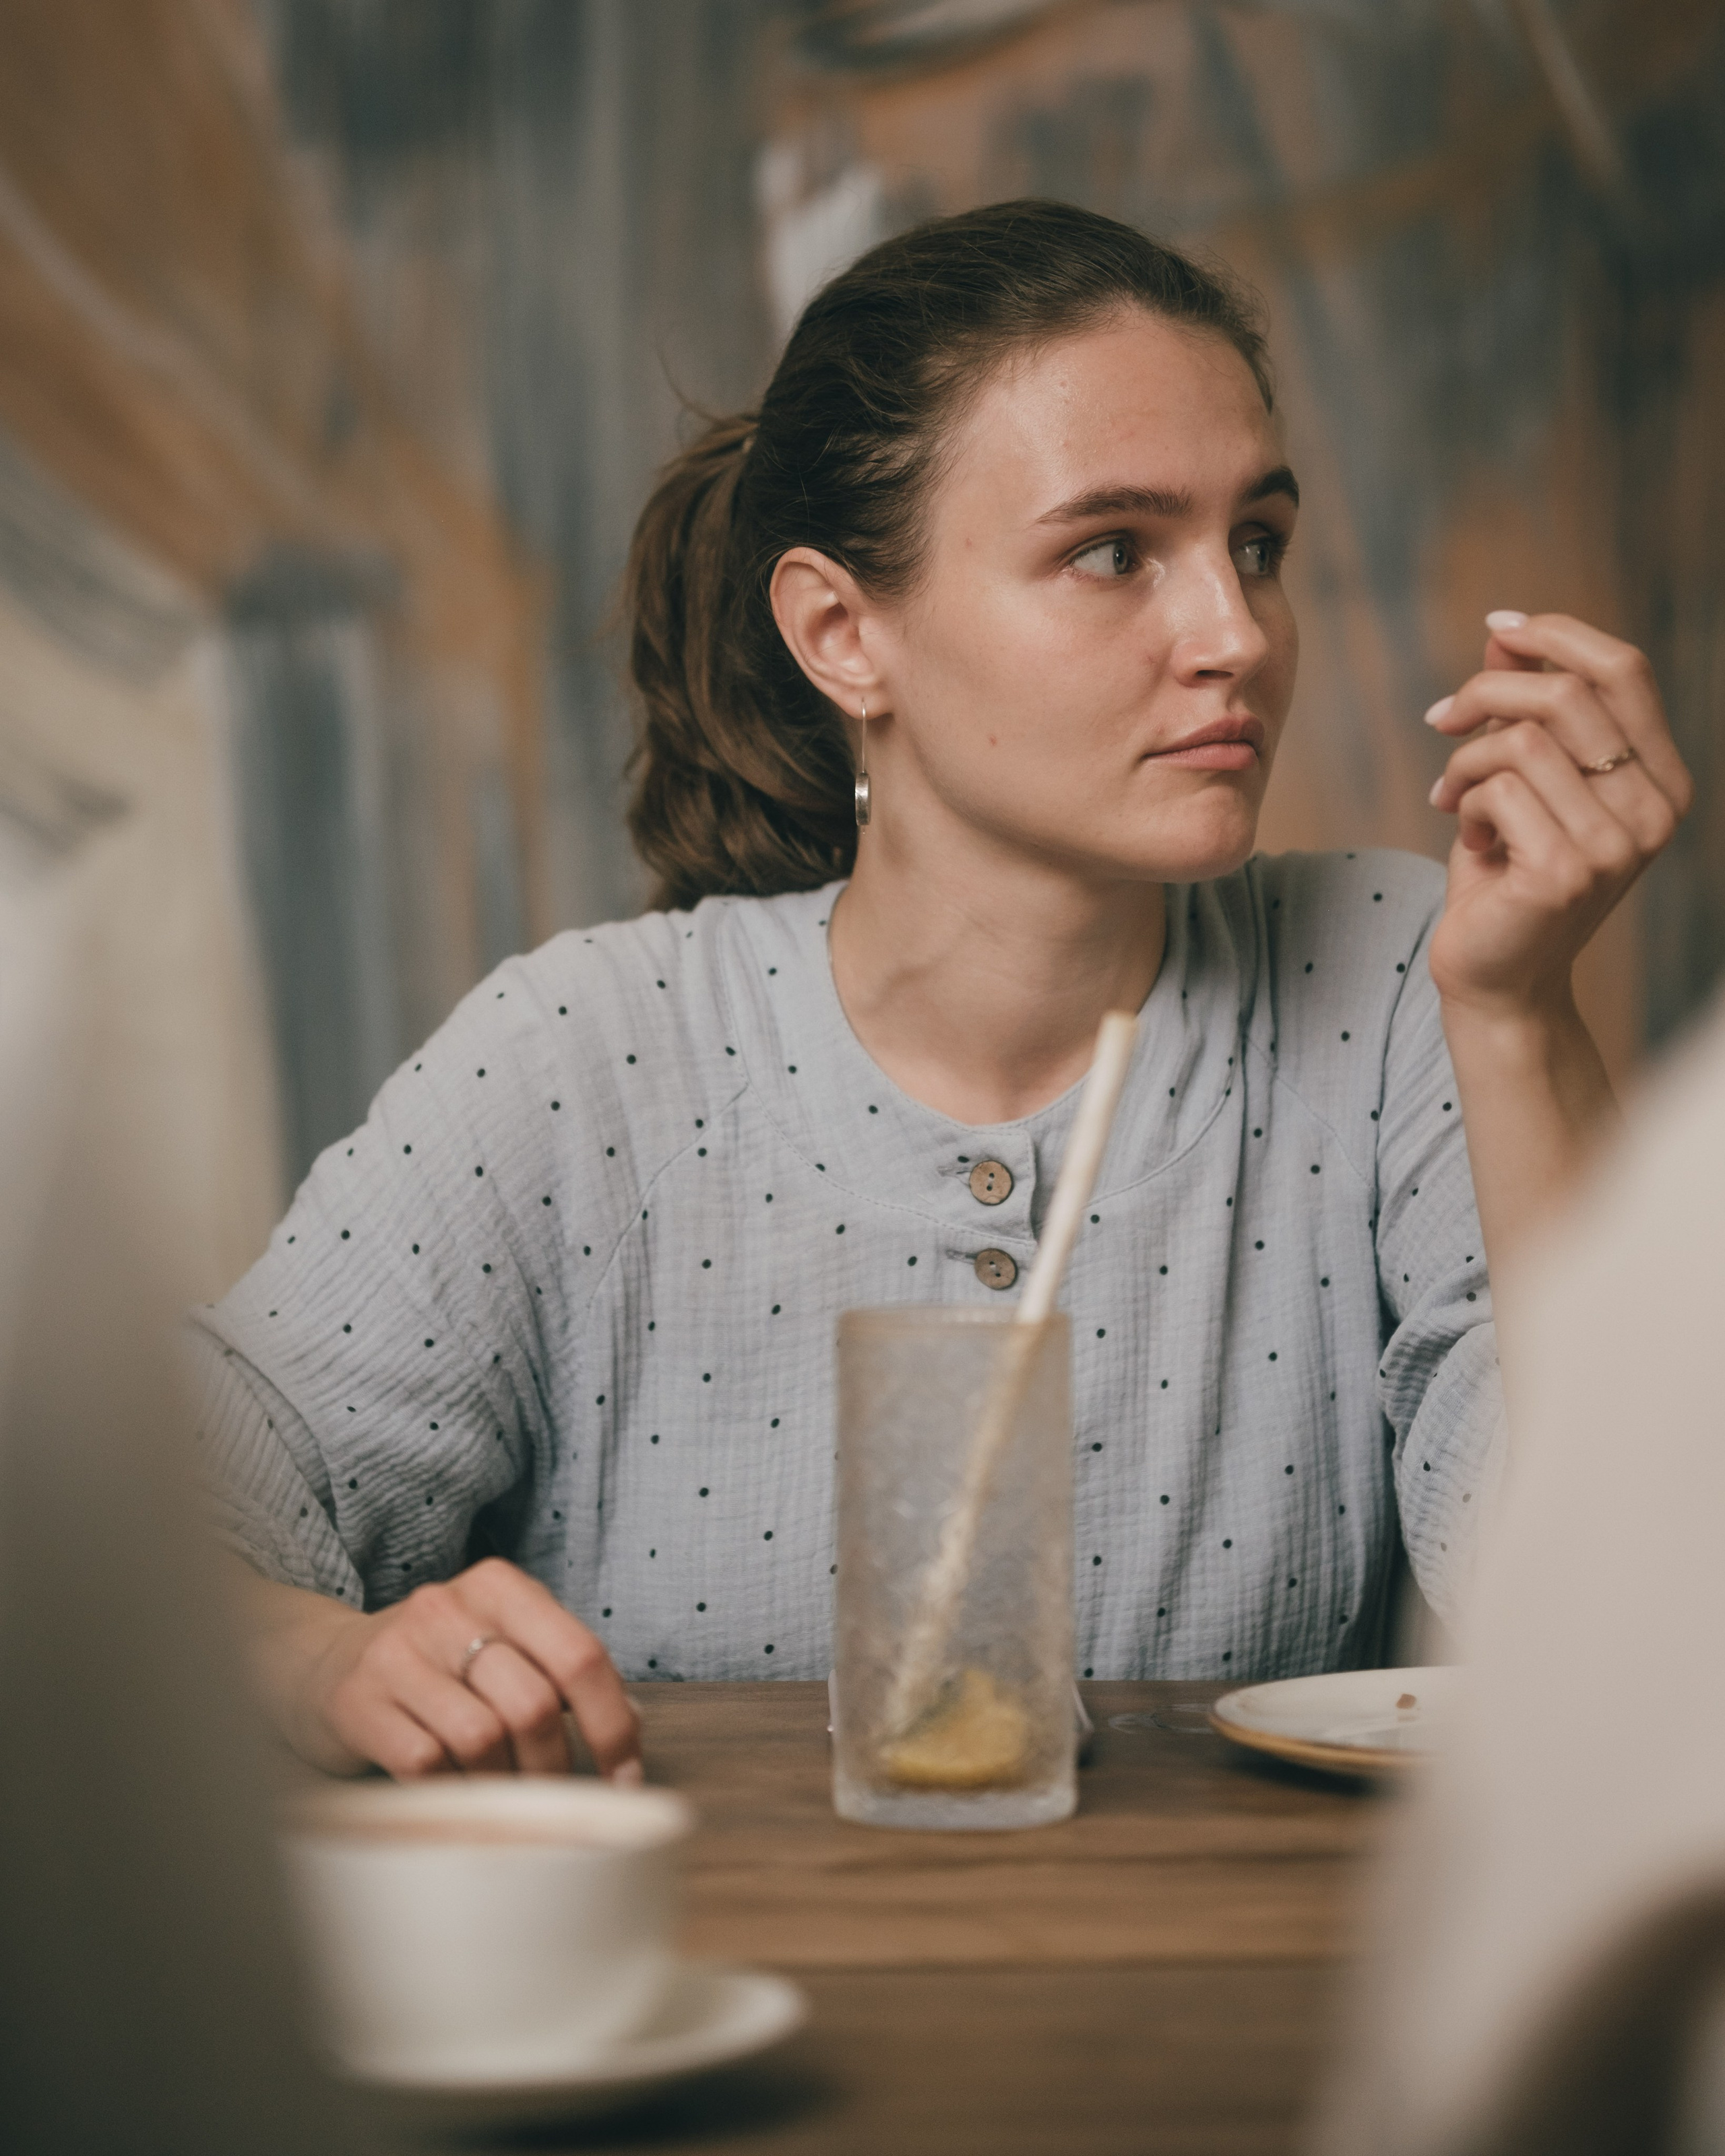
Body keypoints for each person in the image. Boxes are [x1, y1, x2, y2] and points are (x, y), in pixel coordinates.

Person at [195, 200, 1689, 1782]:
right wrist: (312, 1655)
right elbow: (153, 1513)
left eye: (1255, 542)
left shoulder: (1403, 984)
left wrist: (1518, 1017)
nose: (1234, 633)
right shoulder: (584, 1057)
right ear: (843, 632)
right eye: (1112, 552)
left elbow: (1631, 1611)